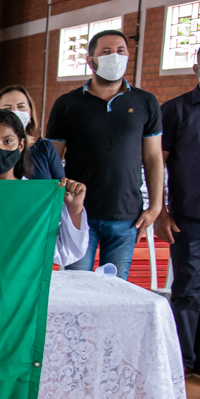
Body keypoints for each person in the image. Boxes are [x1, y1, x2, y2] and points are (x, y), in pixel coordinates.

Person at [47, 29, 164, 279]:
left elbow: (154, 158)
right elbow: (52, 159)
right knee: (77, 285)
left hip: (126, 214)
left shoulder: (146, 102)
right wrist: (56, 204)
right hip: (80, 214)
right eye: (106, 52)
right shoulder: (67, 104)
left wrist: (156, 206)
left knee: (116, 289)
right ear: (91, 61)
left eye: (120, 51)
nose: (115, 56)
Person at [156, 37, 200, 387]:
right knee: (188, 289)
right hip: (190, 215)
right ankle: (181, 358)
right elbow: (157, 165)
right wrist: (161, 212)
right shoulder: (176, 110)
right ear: (196, 67)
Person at [0, 109, 88, 267]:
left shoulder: (36, 198)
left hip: (18, 287)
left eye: (7, 141)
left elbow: (66, 253)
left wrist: (74, 209)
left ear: (21, 144)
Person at [0, 85, 64, 180]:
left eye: (21, 107)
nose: (15, 112)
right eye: (7, 108)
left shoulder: (45, 149)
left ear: (30, 114)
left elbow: (61, 187)